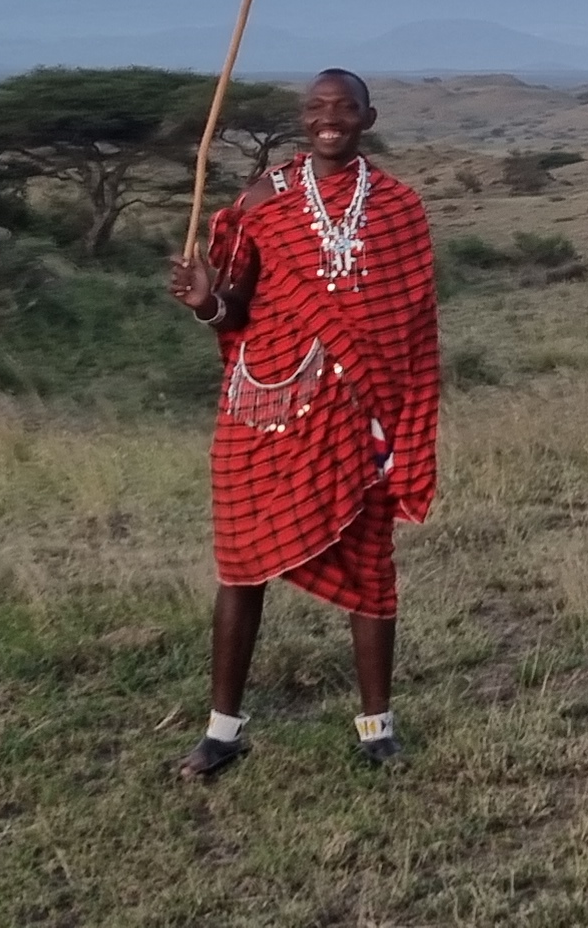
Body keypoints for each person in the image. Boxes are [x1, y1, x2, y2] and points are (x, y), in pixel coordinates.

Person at [164, 69, 442, 779]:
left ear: (368, 118)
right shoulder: (263, 199)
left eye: (344, 108)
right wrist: (205, 301)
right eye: (317, 108)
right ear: (301, 117)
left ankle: (377, 731)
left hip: (358, 416)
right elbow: (231, 310)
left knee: (371, 566)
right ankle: (222, 733)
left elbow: (411, 326)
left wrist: (400, 421)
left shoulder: (400, 207)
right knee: (241, 565)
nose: (329, 119)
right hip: (265, 409)